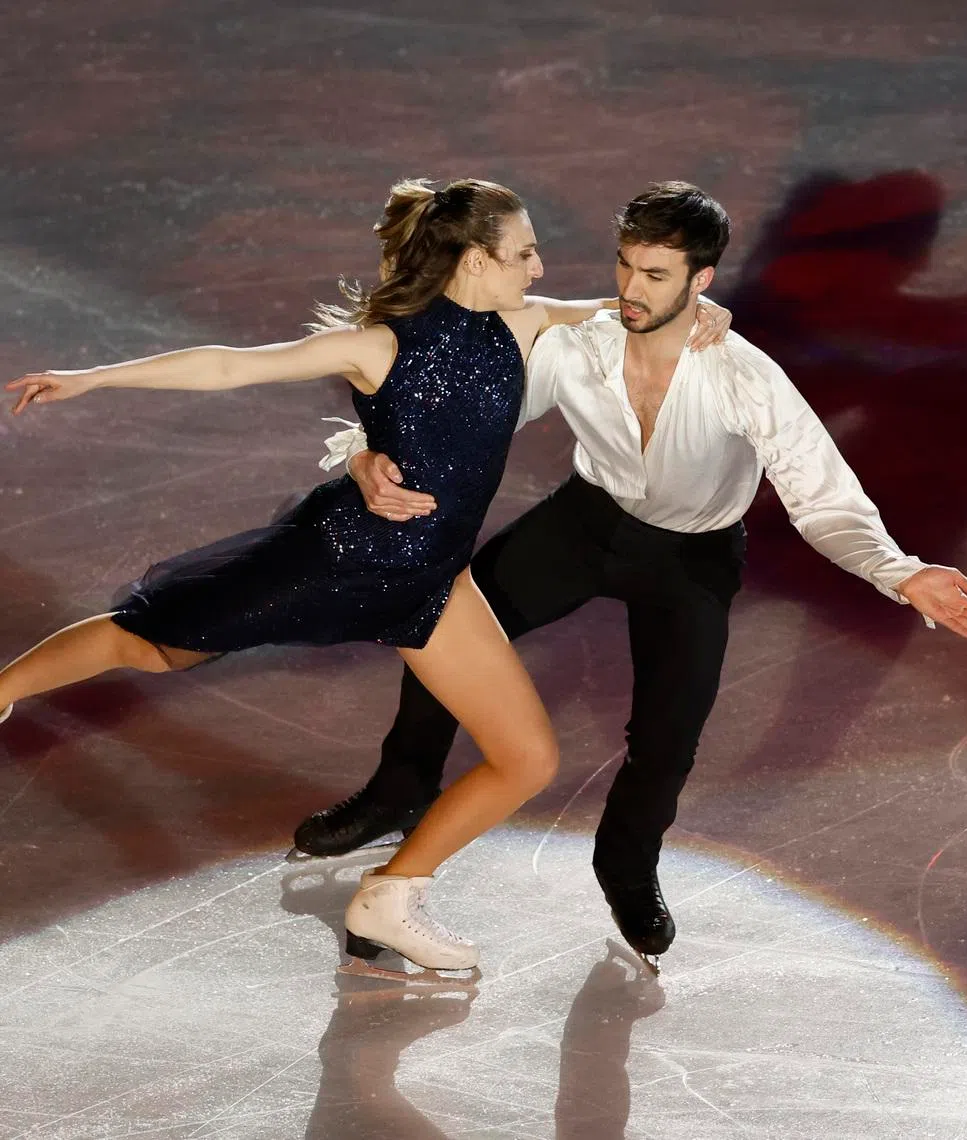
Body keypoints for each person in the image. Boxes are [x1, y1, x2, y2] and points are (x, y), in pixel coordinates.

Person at [0, 176, 729, 975]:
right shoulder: (380, 344)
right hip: (341, 560)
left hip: (430, 584)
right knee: (157, 643)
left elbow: (620, 311)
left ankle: (388, 898)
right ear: (475, 260)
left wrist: (702, 308)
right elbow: (229, 367)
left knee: (527, 759)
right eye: (523, 254)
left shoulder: (522, 325)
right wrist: (93, 378)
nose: (539, 267)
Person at [295, 181, 967, 971]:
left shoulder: (744, 376)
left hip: (692, 558)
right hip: (584, 524)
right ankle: (400, 787)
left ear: (702, 279)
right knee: (444, 628)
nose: (631, 288)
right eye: (626, 266)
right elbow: (450, 415)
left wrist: (899, 573)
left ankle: (625, 861)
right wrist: (363, 457)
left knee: (667, 739)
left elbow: (822, 494)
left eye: (656, 275)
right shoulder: (578, 347)